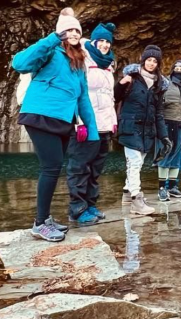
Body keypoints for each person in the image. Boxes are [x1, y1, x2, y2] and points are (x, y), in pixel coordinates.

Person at [12, 7, 99, 242]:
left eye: (77, 30)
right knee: (51, 167)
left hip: (63, 119)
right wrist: (52, 38)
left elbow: (83, 98)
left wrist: (91, 130)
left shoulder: (79, 61)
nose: (73, 33)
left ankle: (45, 218)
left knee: (54, 167)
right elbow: (19, 63)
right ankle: (40, 224)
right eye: (68, 30)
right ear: (61, 32)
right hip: (40, 114)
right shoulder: (50, 51)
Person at [67, 22, 117, 226]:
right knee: (80, 167)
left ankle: (90, 204)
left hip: (104, 125)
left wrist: (113, 122)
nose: (105, 45)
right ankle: (77, 210)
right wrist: (79, 122)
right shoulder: (83, 59)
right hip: (87, 124)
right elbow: (76, 92)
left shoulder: (107, 65)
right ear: (94, 42)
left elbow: (108, 97)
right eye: (101, 41)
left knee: (95, 169)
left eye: (108, 42)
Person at [116, 45, 172, 216]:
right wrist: (120, 84)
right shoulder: (131, 78)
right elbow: (115, 96)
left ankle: (127, 192)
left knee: (137, 163)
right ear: (143, 60)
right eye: (149, 60)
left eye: (155, 61)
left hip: (147, 130)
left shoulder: (159, 85)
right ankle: (136, 199)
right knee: (134, 162)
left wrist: (164, 136)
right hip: (130, 126)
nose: (151, 63)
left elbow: (159, 113)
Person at [156, 59, 181, 201]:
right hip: (166, 123)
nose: (179, 69)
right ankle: (162, 188)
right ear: (172, 69)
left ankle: (172, 187)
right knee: (165, 155)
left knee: (177, 157)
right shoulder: (165, 82)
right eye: (176, 66)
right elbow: (158, 101)